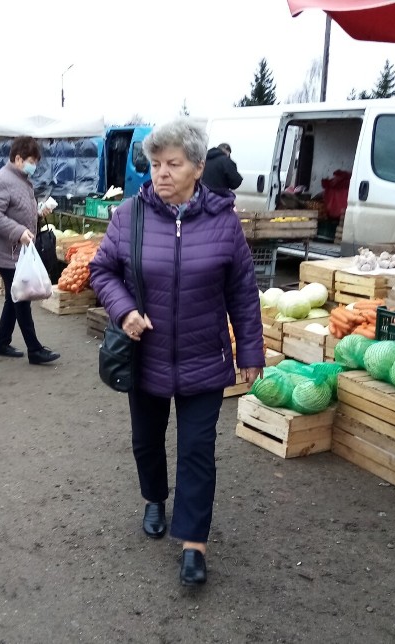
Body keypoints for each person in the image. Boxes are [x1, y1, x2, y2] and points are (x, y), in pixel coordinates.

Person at [88, 120, 264, 586]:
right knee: (146, 440)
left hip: (204, 356)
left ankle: (193, 543)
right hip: (145, 355)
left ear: (198, 168)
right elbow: (101, 270)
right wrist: (124, 311)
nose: (161, 173)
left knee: (197, 451)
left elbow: (244, 294)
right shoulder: (130, 215)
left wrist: (250, 350)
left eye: (174, 164)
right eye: (157, 164)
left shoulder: (224, 222)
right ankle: (153, 498)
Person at [0, 136, 60, 366]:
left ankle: (1, 343)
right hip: (5, 250)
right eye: (32, 160)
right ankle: (35, 349)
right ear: (18, 158)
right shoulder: (2, 180)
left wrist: (38, 213)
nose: (35, 165)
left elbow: (17, 209)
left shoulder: (21, 179)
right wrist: (19, 232)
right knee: (21, 298)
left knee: (13, 297)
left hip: (16, 249)